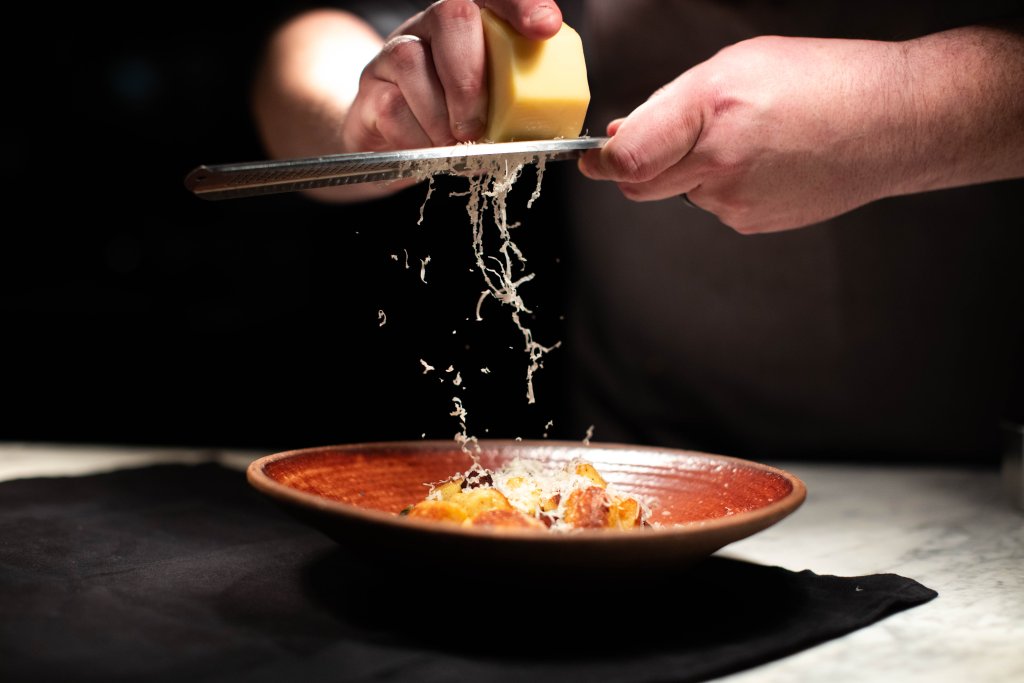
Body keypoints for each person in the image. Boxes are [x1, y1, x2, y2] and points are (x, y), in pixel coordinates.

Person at [253, 1, 1024, 462]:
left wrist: (910, 105)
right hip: (639, 454)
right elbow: (308, 43)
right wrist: (363, 109)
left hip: (987, 469)